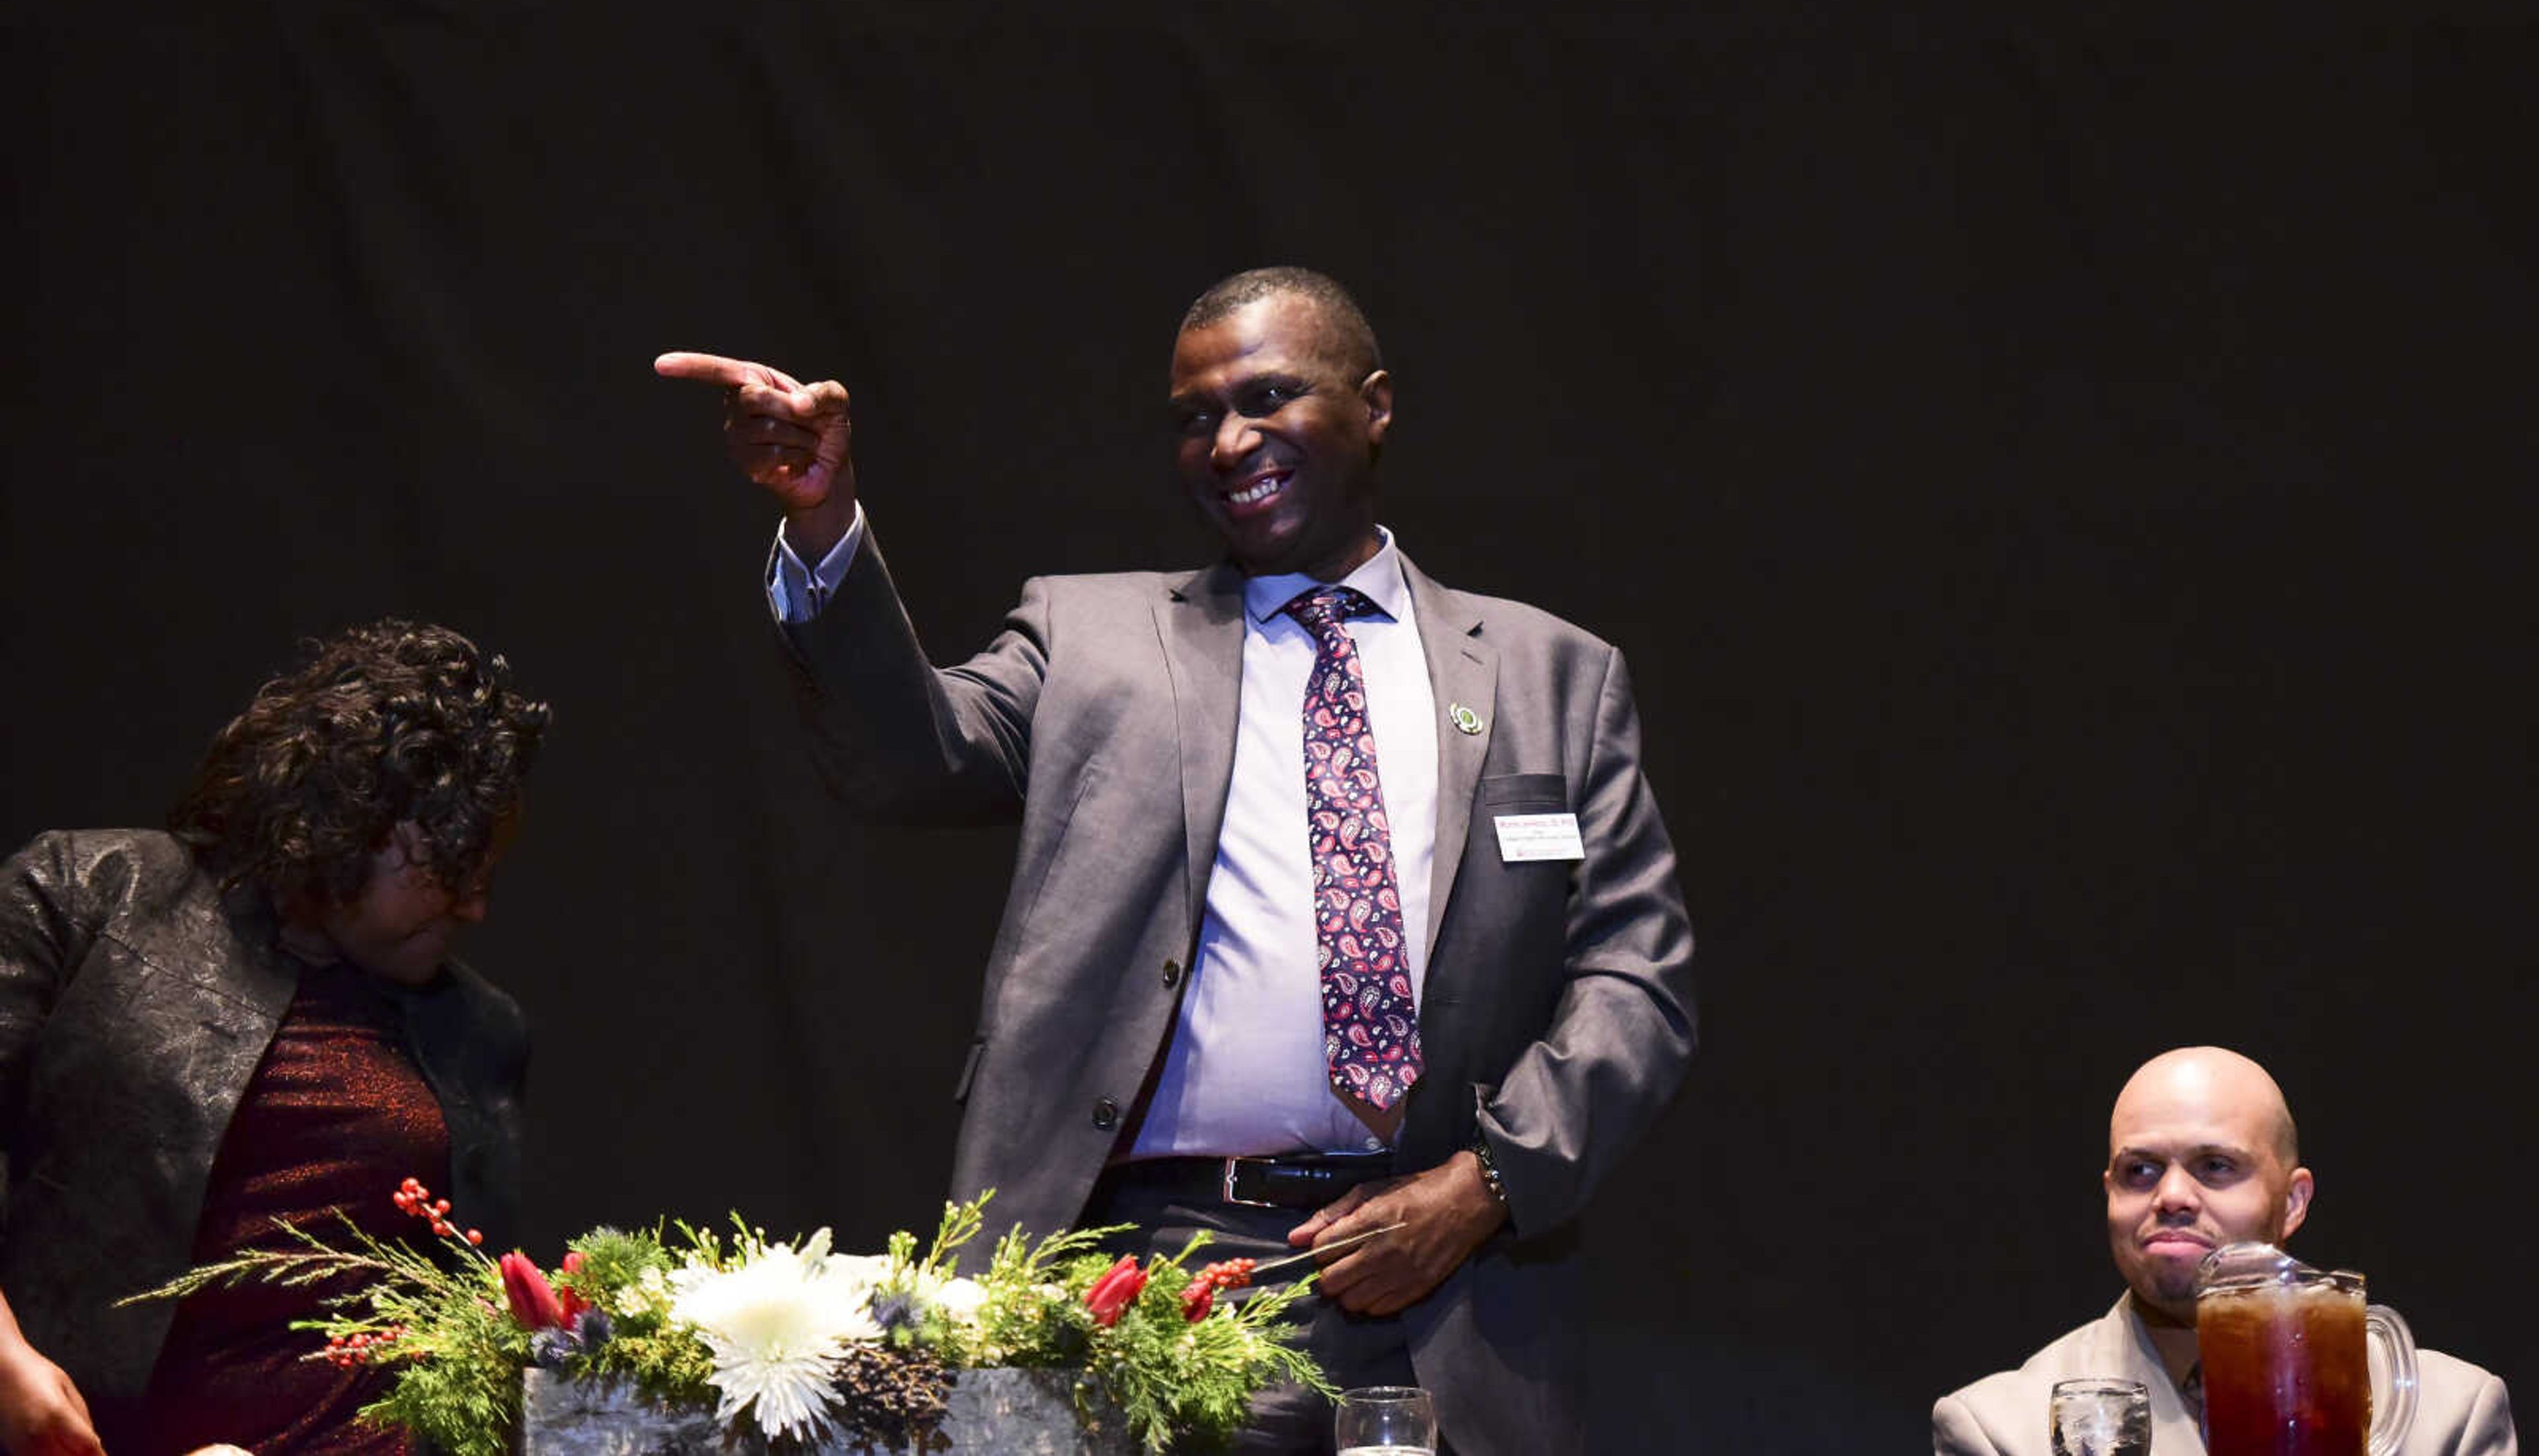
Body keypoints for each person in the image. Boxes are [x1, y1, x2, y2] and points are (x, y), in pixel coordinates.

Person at [657, 266, 1696, 1456]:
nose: (1228, 440)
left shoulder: (1552, 674)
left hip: (1448, 1284)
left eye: (1268, 397)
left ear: (1376, 406)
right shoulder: (1094, 638)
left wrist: (1488, 1183)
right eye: (1195, 416)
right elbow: (910, 760)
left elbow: (1637, 979)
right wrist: (824, 521)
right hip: (1151, 1280)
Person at [0, 620, 548, 1456]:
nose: (473, 904)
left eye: (488, 869)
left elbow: (485, 1342)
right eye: (449, 861)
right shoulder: (89, 895)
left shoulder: (480, 1032)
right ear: (346, 812)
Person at [1931, 1046, 2517, 1455]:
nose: (2173, 1196)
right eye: (2140, 1170)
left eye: (2215, 1166)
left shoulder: (2450, 1416)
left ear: (2293, 1201)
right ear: (2108, 1194)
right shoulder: (2000, 1430)